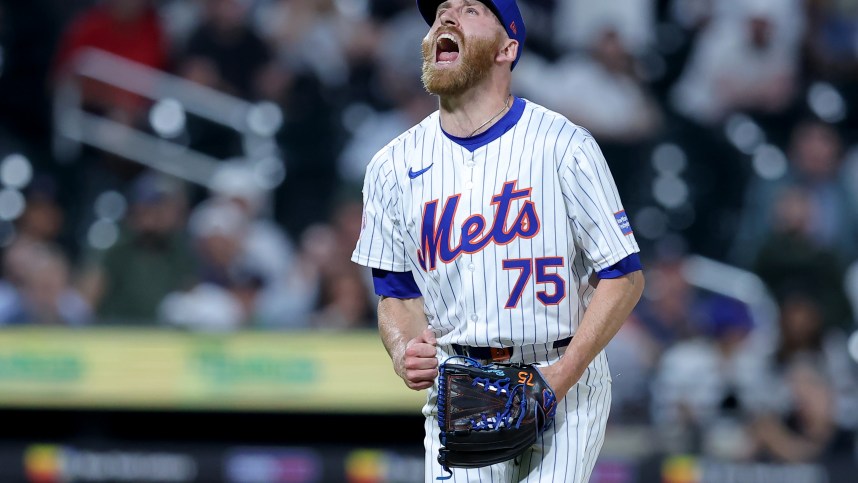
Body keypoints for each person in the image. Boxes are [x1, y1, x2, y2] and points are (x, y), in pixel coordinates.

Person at [349, 1, 645, 481]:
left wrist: (559, 379)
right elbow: (396, 294)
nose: (445, 18)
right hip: (460, 380)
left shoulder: (563, 144)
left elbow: (623, 277)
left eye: (469, 10)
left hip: (560, 368)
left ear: (508, 47)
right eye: (440, 12)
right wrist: (404, 347)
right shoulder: (391, 166)